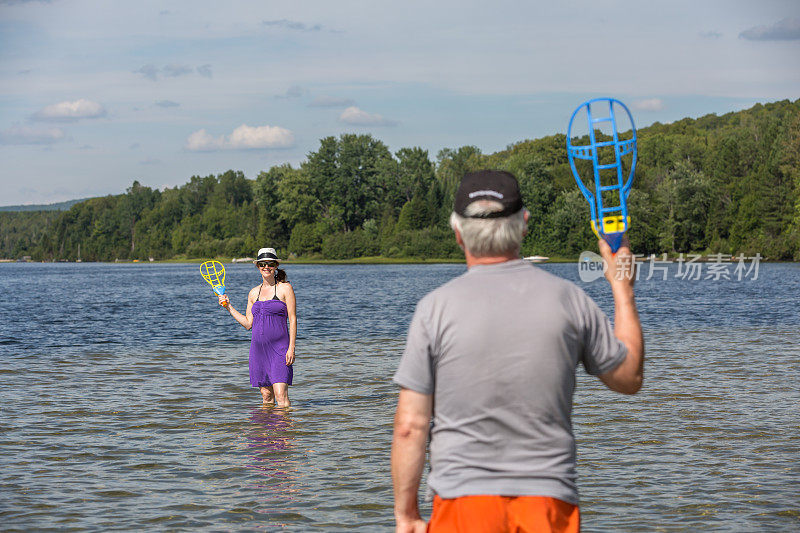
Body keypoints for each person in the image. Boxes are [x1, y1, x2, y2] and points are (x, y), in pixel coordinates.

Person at [391, 170, 644, 532]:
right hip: (548, 502)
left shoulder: (434, 309)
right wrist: (622, 287)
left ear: (458, 233)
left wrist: (407, 515)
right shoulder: (569, 300)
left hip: (462, 503)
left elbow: (409, 427)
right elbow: (628, 377)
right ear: (524, 225)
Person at [218, 247, 297, 407]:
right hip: (258, 350)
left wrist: (291, 348)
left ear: (275, 266)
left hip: (280, 349)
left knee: (281, 396)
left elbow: (293, 319)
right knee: (266, 396)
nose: (266, 267)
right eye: (262, 264)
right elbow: (248, 324)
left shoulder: (285, 288)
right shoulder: (253, 293)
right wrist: (228, 307)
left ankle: (286, 432)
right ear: (258, 267)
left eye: (270, 264)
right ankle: (266, 431)